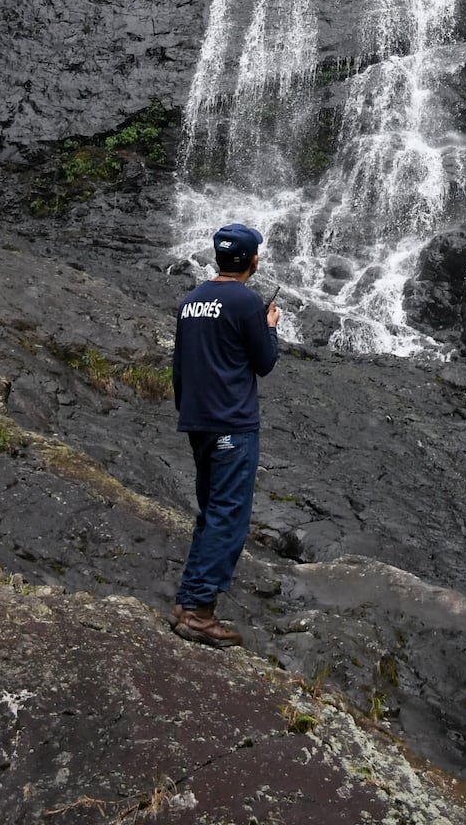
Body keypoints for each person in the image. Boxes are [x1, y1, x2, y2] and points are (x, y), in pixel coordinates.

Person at [170, 221, 280, 647]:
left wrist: (188, 413)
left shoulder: (191, 301)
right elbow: (264, 362)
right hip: (232, 423)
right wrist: (269, 325)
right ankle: (198, 612)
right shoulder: (246, 302)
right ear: (253, 260)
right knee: (228, 519)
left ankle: (187, 601)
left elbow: (179, 364)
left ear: (218, 257)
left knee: (210, 513)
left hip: (198, 421)